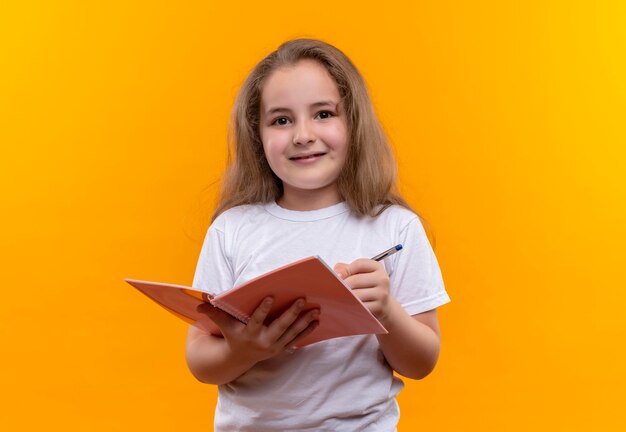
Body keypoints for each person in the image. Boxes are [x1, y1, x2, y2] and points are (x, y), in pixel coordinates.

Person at [186, 38, 450, 431]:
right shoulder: (232, 229)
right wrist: (244, 351)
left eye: (323, 113)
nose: (303, 135)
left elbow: (421, 363)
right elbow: (200, 362)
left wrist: (386, 311)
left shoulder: (395, 227)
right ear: (257, 137)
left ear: (354, 123)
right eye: (281, 120)